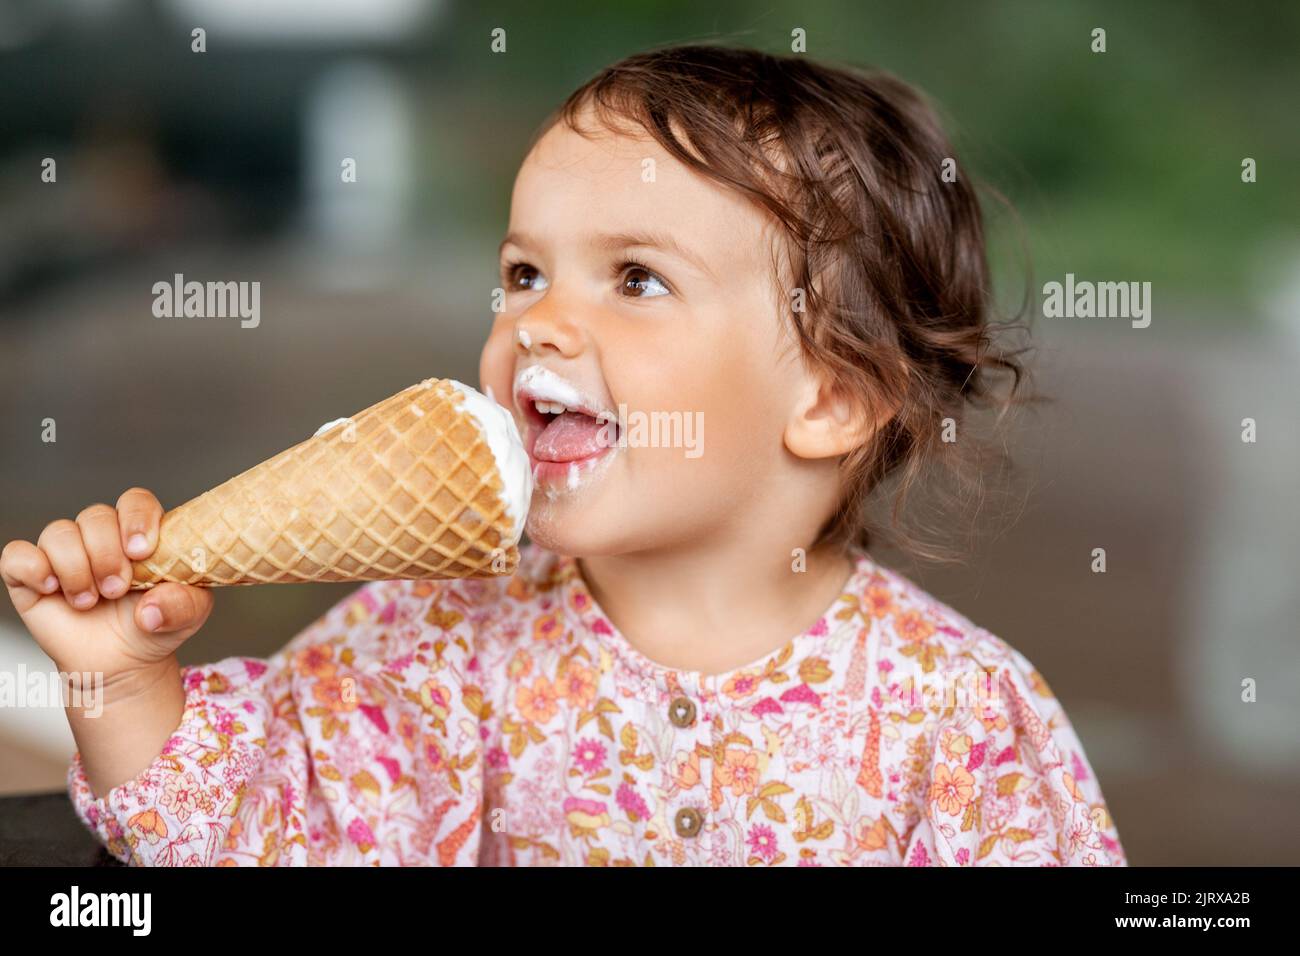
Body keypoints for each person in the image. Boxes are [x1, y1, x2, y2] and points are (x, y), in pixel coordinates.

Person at [1, 44, 1125, 866]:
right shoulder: (432, 629)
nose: (535, 321)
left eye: (636, 278)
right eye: (525, 273)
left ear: (830, 397)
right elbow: (250, 836)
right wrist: (121, 676)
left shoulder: (958, 715)